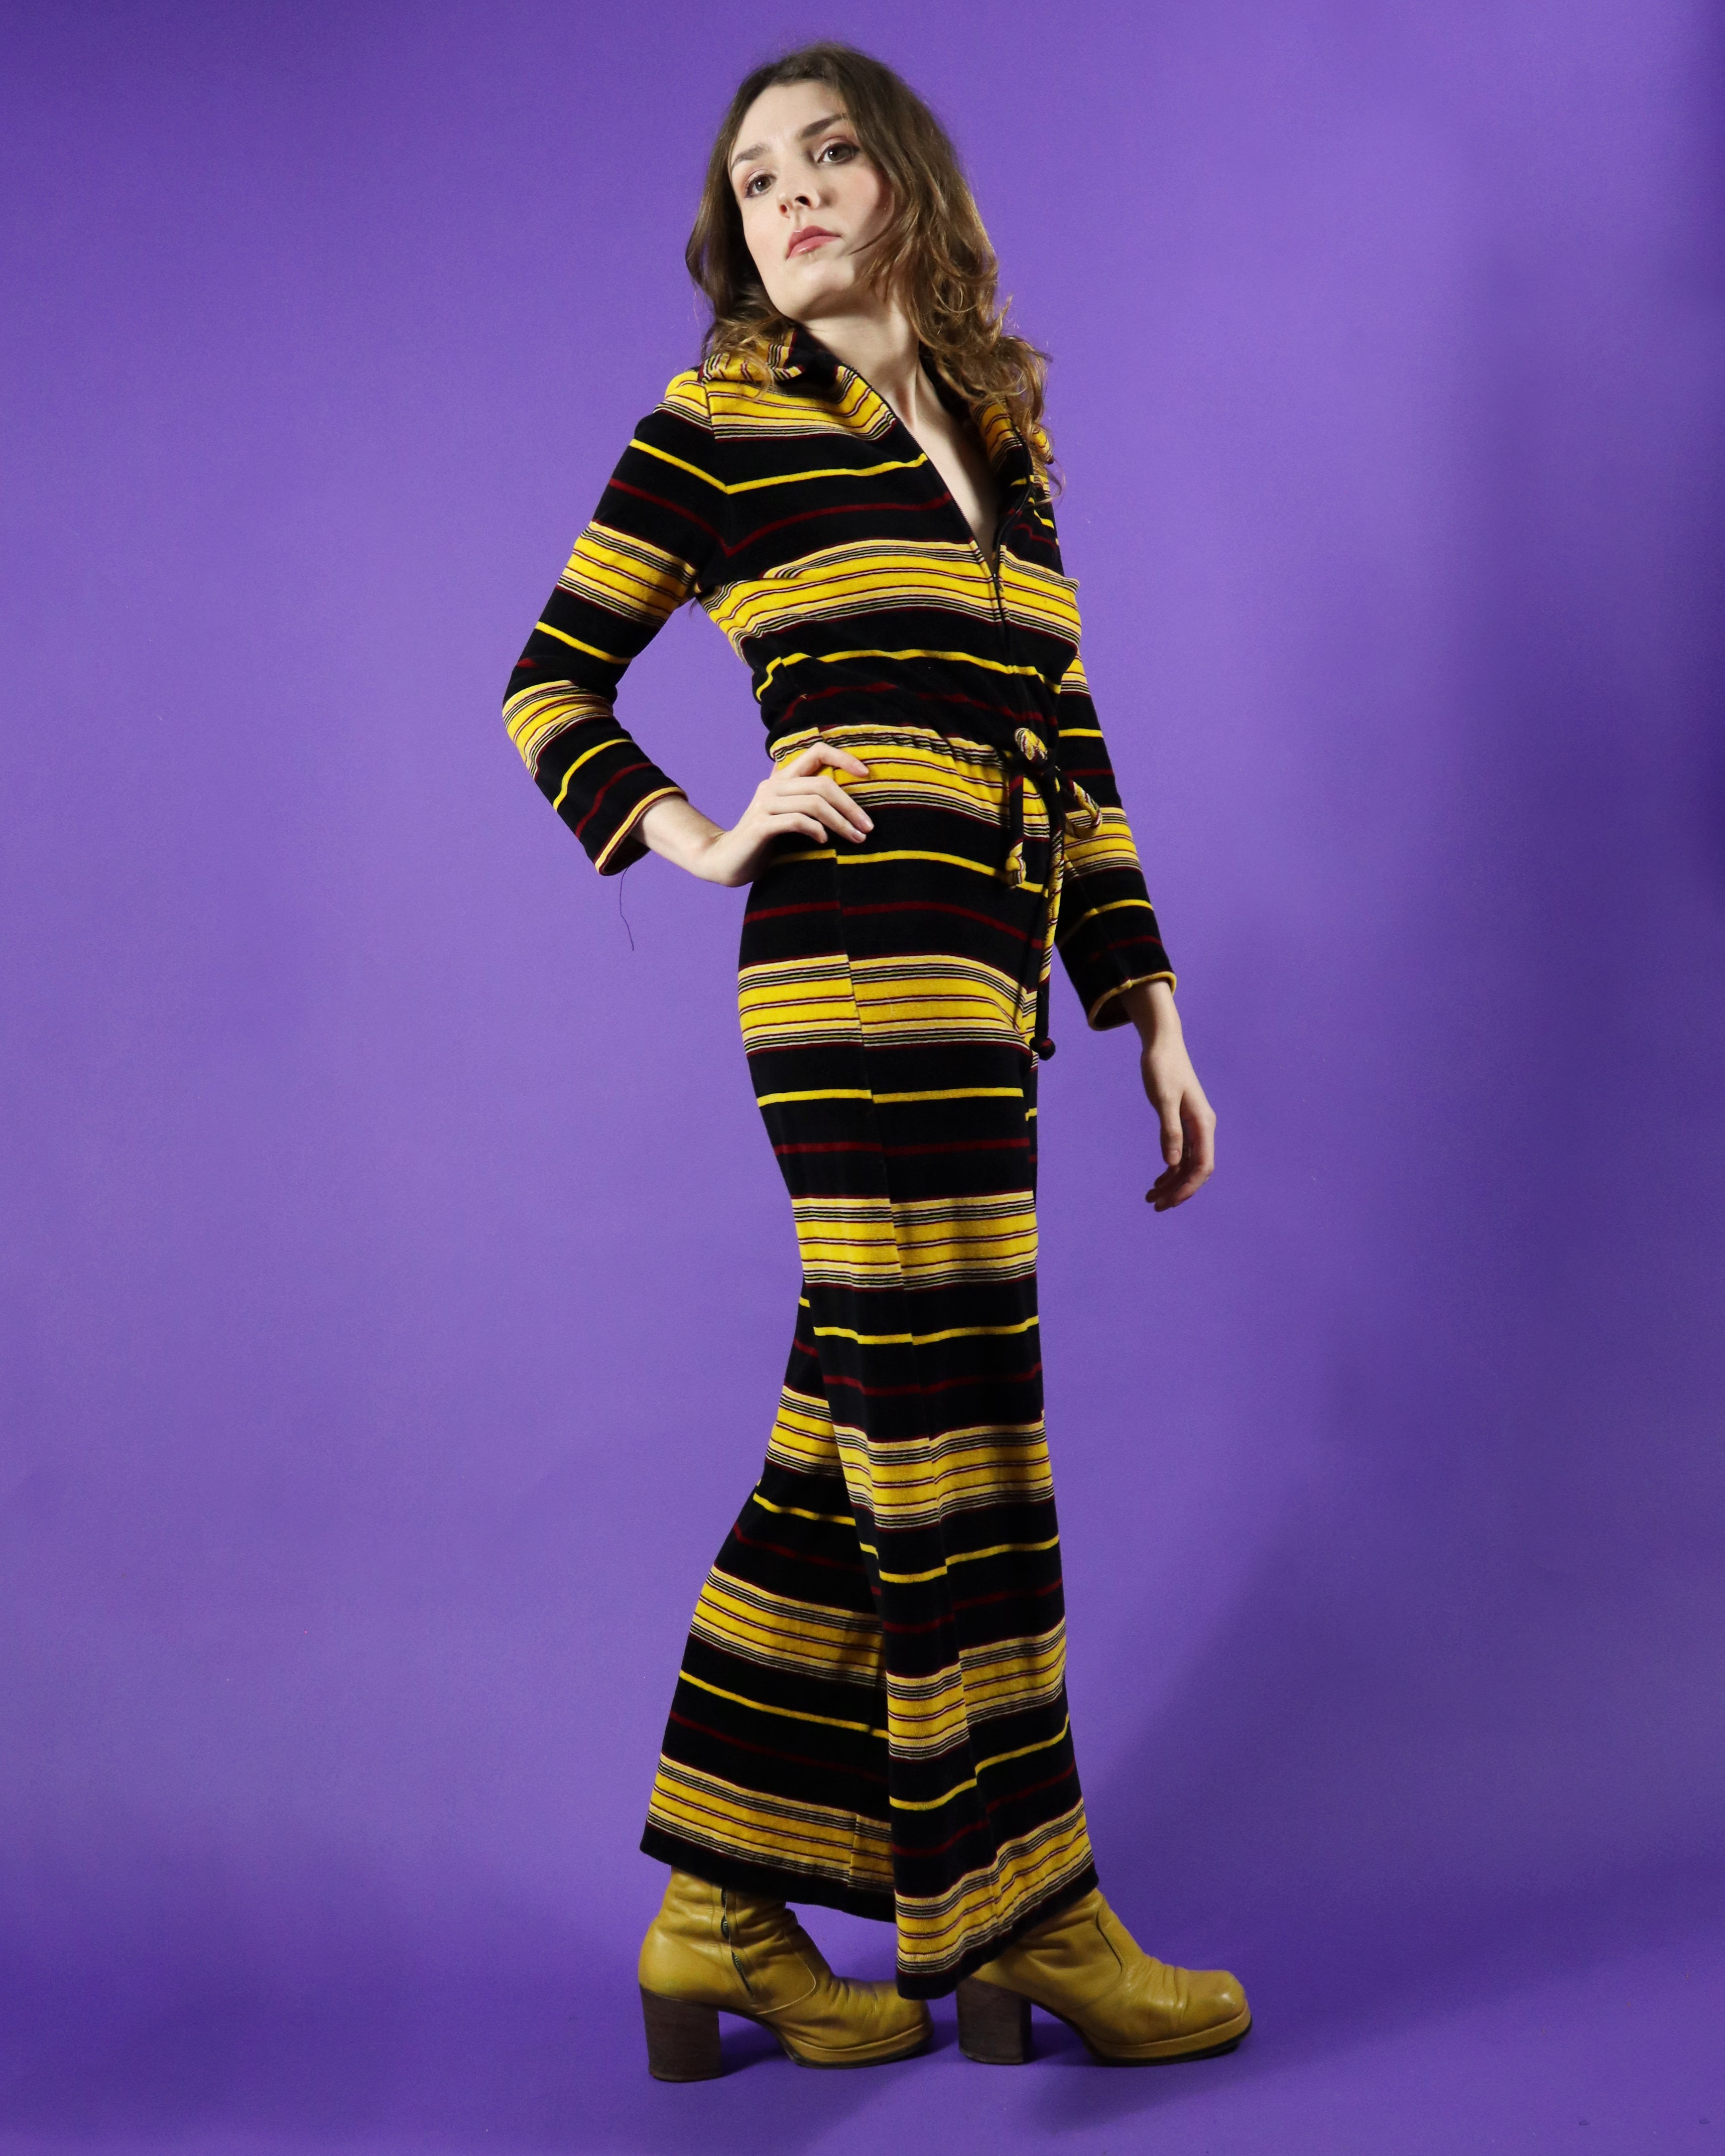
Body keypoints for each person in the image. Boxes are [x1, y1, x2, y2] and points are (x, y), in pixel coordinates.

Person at [503, 41, 1250, 2080]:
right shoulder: (719, 424)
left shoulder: (1002, 444)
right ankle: (1029, 1912)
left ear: (905, 182)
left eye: (829, 153)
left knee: (864, 1427)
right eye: (757, 179)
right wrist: (698, 831)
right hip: (847, 975)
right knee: (957, 1438)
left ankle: (713, 1914)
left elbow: (1063, 743)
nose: (794, 193)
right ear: (737, 239)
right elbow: (549, 683)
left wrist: (1145, 1001)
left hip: (983, 984)